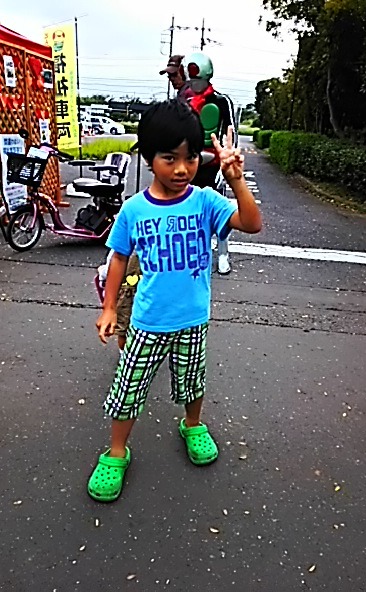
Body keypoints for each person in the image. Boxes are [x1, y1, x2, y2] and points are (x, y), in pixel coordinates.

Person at [87, 98, 262, 502]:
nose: (182, 169)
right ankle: (116, 452)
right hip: (147, 321)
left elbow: (252, 224)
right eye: (170, 158)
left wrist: (236, 180)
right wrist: (110, 307)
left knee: (192, 380)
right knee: (128, 388)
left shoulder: (205, 202)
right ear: (149, 158)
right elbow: (117, 258)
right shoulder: (134, 210)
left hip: (193, 319)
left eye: (190, 158)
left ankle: (193, 425)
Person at [184, 52, 239, 275]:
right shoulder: (186, 102)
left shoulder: (220, 101)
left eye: (198, 80)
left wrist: (227, 164)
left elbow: (231, 131)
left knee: (219, 211)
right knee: (189, 209)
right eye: (192, 80)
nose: (195, 85)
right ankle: (195, 251)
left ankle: (223, 253)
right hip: (191, 163)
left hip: (214, 163)